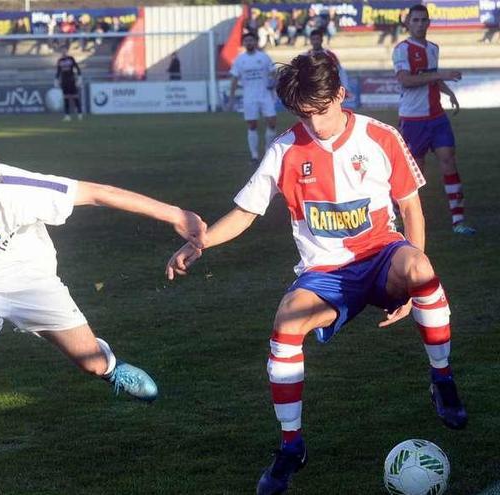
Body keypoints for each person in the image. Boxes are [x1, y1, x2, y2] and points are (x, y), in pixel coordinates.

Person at [167, 53, 467, 495]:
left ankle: (442, 380)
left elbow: (409, 207)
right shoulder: (285, 149)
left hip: (383, 255)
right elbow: (246, 212)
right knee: (286, 321)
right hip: (325, 272)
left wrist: (413, 283)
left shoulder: (380, 137)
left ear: (341, 95)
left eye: (322, 110)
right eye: (305, 113)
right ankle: (292, 446)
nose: (316, 122)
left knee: (421, 268)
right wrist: (202, 241)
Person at [0, 130, 209, 495]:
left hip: (29, 276)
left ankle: (110, 367)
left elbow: (96, 193)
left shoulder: (10, 185)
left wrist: (176, 214)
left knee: (90, 362)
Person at [393, 4, 475, 235]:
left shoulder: (433, 48)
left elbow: (431, 77)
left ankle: (458, 221)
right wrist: (441, 75)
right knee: (413, 172)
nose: (420, 24)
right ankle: (394, 214)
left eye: (423, 20)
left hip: (437, 116)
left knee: (448, 159)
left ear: (429, 23)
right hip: (413, 119)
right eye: (415, 20)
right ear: (408, 23)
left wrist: (448, 92)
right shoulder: (401, 50)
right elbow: (406, 80)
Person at [228, 31, 277, 166]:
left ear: (255, 42)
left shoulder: (264, 57)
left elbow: (274, 72)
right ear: (244, 43)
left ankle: (268, 151)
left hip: (265, 94)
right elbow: (234, 78)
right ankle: (254, 156)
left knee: (272, 122)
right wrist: (231, 98)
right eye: (246, 41)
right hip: (249, 96)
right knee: (252, 125)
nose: (249, 43)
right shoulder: (239, 59)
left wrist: (274, 83)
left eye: (251, 40)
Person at [55, 48, 83, 121]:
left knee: (75, 97)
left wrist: (79, 77)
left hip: (71, 80)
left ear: (67, 51)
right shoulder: (60, 60)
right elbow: (58, 71)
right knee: (66, 98)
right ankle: (67, 115)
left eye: (64, 51)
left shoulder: (71, 59)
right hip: (64, 82)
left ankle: (79, 114)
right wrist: (56, 80)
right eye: (62, 51)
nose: (63, 52)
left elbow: (77, 68)